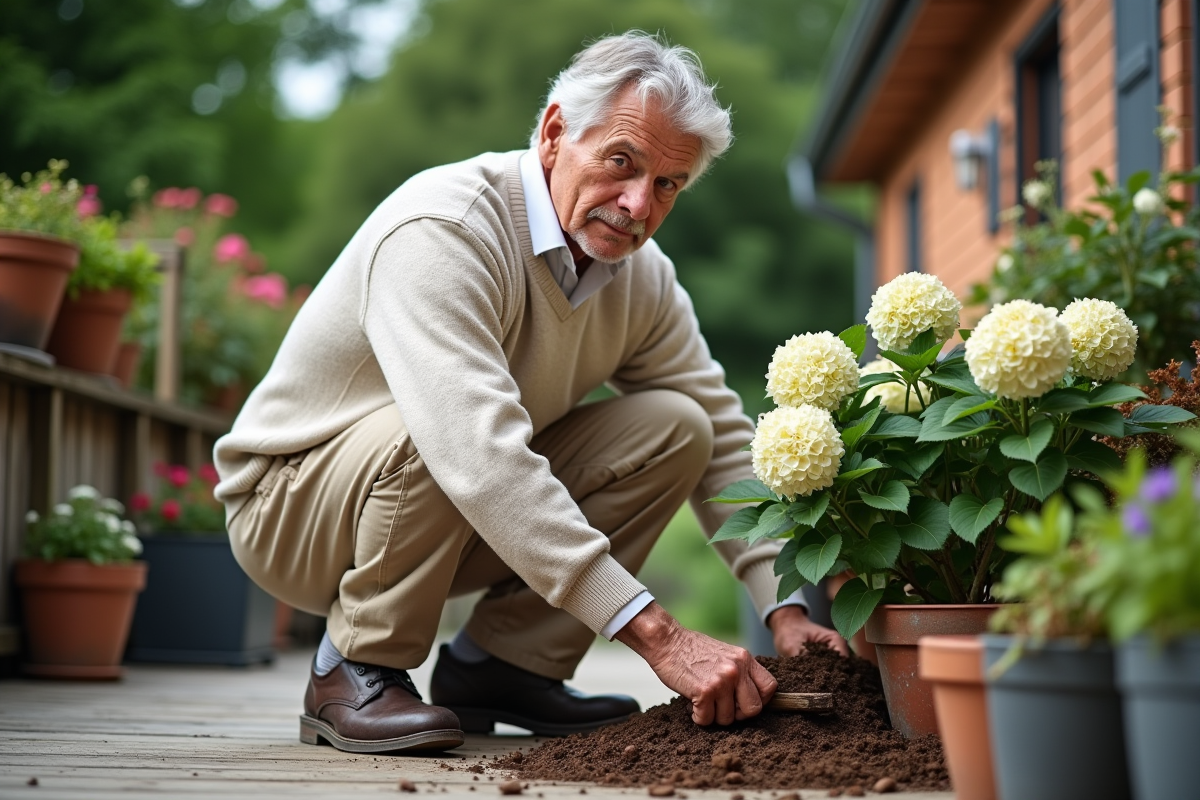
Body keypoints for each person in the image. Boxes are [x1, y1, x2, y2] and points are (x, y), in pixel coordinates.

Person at [213, 30, 847, 756]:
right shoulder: (446, 228)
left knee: (679, 426)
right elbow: (474, 453)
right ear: (554, 135)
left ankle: (504, 667)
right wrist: (655, 633)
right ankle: (355, 667)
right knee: (445, 430)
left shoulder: (642, 280)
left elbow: (722, 435)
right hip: (294, 508)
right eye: (621, 162)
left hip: (445, 504)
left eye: (667, 184)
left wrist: (786, 606)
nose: (638, 204)